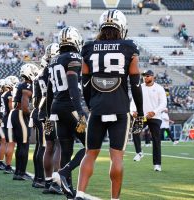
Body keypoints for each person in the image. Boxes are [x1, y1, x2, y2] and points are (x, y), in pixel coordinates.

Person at [75, 9, 144, 200]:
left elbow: (85, 83)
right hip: (120, 108)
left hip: (97, 107)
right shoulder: (129, 47)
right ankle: (115, 198)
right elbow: (136, 83)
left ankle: (80, 193)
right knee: (117, 157)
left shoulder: (88, 48)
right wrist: (140, 111)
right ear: (121, 27)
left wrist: (91, 105)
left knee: (90, 154)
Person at [47, 26, 86, 199]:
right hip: (69, 106)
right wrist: (80, 110)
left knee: (66, 149)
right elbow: (72, 85)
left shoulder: (54, 60)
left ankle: (69, 193)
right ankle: (64, 171)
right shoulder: (73, 57)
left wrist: (49, 114)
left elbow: (49, 91)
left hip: (56, 107)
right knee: (92, 145)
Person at [38, 47, 62, 195]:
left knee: (49, 146)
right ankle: (56, 181)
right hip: (55, 110)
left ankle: (47, 181)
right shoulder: (56, 67)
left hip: (44, 111)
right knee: (59, 145)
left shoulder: (41, 73)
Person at [131, 69, 167, 172]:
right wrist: (132, 110)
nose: (145, 77)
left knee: (156, 140)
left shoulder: (159, 88)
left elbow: (163, 103)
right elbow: (133, 100)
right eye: (144, 76)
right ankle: (139, 152)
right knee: (135, 131)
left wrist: (154, 112)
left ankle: (157, 164)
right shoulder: (140, 87)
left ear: (153, 77)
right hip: (142, 116)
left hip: (155, 116)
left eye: (148, 76)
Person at [8, 63, 39, 181]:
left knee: (21, 145)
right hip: (21, 114)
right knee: (24, 145)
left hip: (16, 114)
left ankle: (18, 172)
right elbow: (25, 107)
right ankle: (21, 172)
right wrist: (32, 116)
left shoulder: (21, 84)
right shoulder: (27, 85)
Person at [2, 76, 19, 174]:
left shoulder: (4, 93)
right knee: (11, 144)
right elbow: (10, 106)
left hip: (6, 118)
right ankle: (8, 166)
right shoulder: (10, 94)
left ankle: (7, 165)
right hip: (9, 118)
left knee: (9, 143)